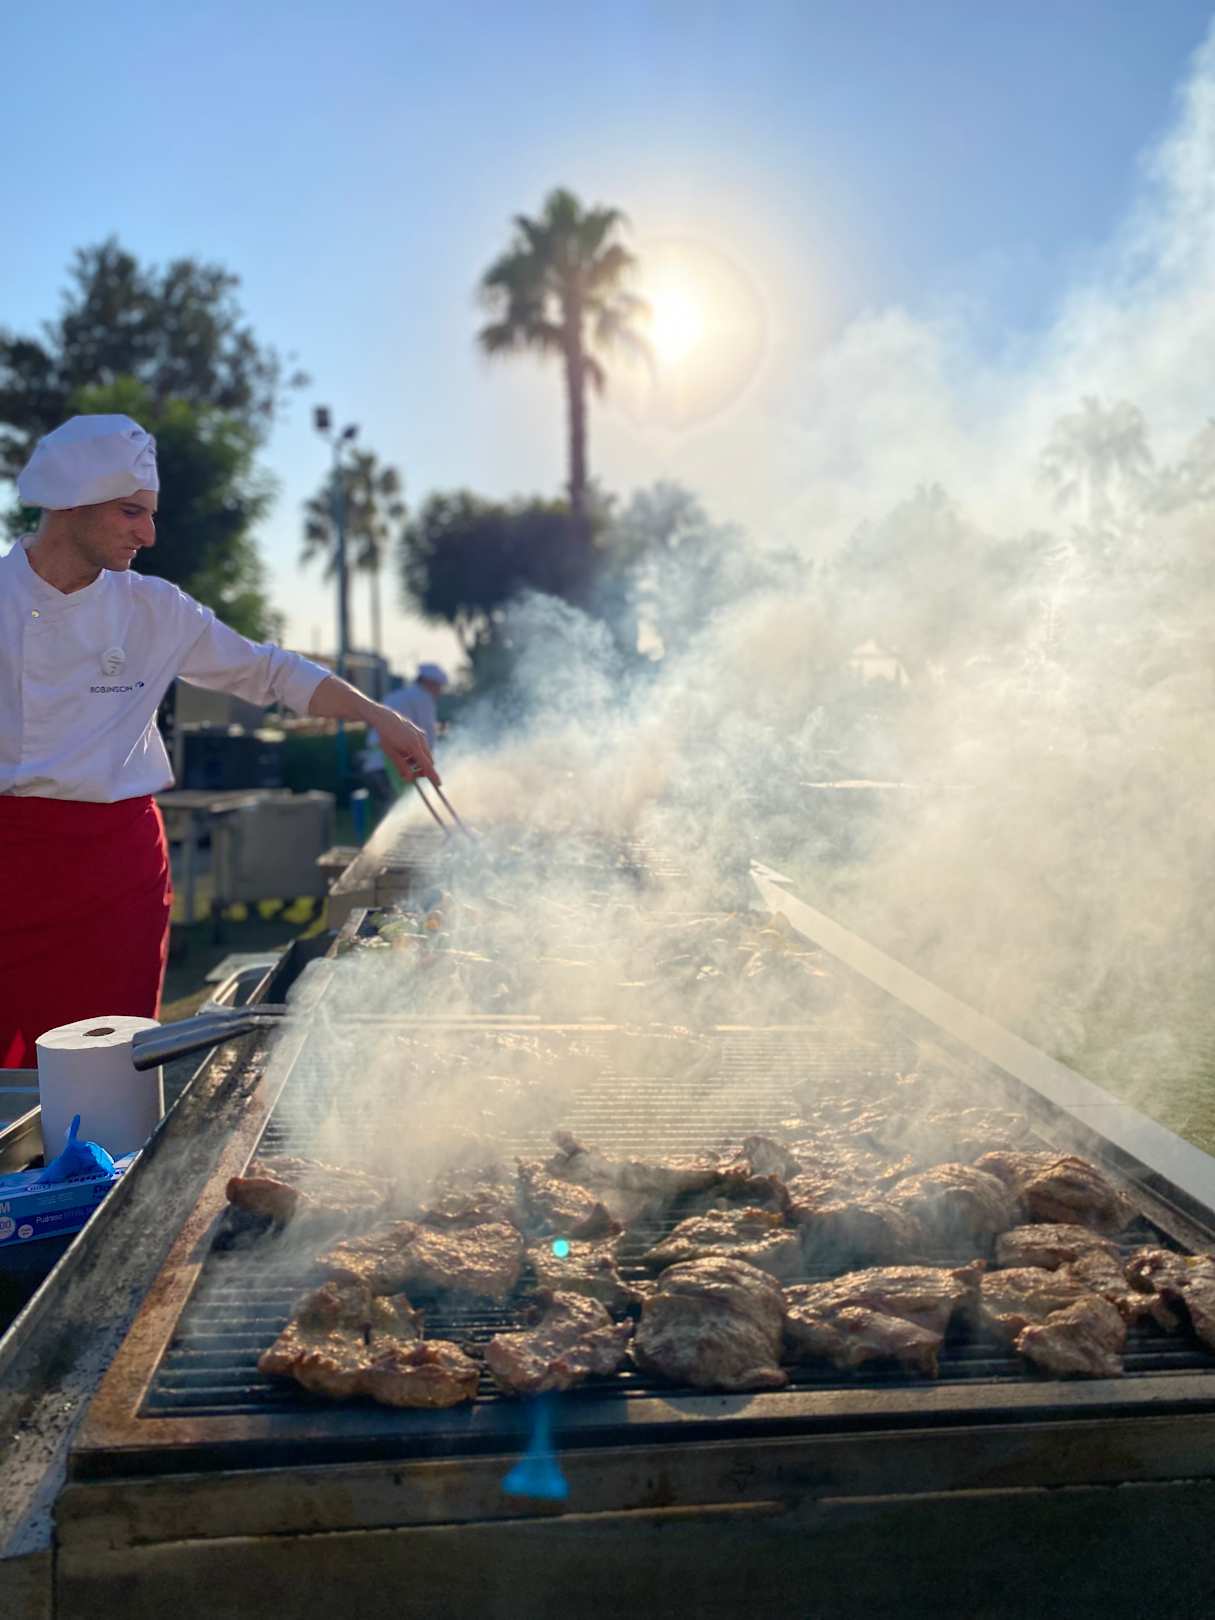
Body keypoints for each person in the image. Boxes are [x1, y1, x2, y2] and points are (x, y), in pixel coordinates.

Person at [0, 414, 439, 1069]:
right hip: (10, 860)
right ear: (69, 503)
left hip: (115, 870)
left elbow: (268, 671)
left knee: (109, 1067)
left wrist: (379, 716)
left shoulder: (154, 609)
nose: (148, 534)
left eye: (150, 514)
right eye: (130, 512)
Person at [362, 661, 449, 810]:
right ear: (429, 683)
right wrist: (430, 765)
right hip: (393, 767)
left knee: (389, 812)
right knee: (402, 811)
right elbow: (426, 735)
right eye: (438, 686)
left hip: (373, 766)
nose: (439, 692)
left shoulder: (397, 696)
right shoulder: (423, 698)